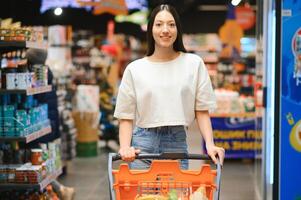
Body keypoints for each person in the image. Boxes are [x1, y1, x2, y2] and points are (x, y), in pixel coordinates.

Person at [113, 4, 225, 169]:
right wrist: (124, 147)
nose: (165, 30)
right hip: (142, 144)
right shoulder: (135, 69)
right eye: (159, 24)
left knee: (175, 194)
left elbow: (201, 110)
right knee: (144, 195)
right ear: (151, 29)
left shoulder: (193, 64)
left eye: (171, 24)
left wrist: (210, 144)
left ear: (177, 29)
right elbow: (126, 116)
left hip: (176, 142)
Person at [26, 49, 75, 200]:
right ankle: (59, 189)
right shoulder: (47, 72)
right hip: (47, 121)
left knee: (37, 160)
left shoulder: (40, 74)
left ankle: (59, 190)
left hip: (41, 122)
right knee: (41, 159)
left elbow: (37, 97)